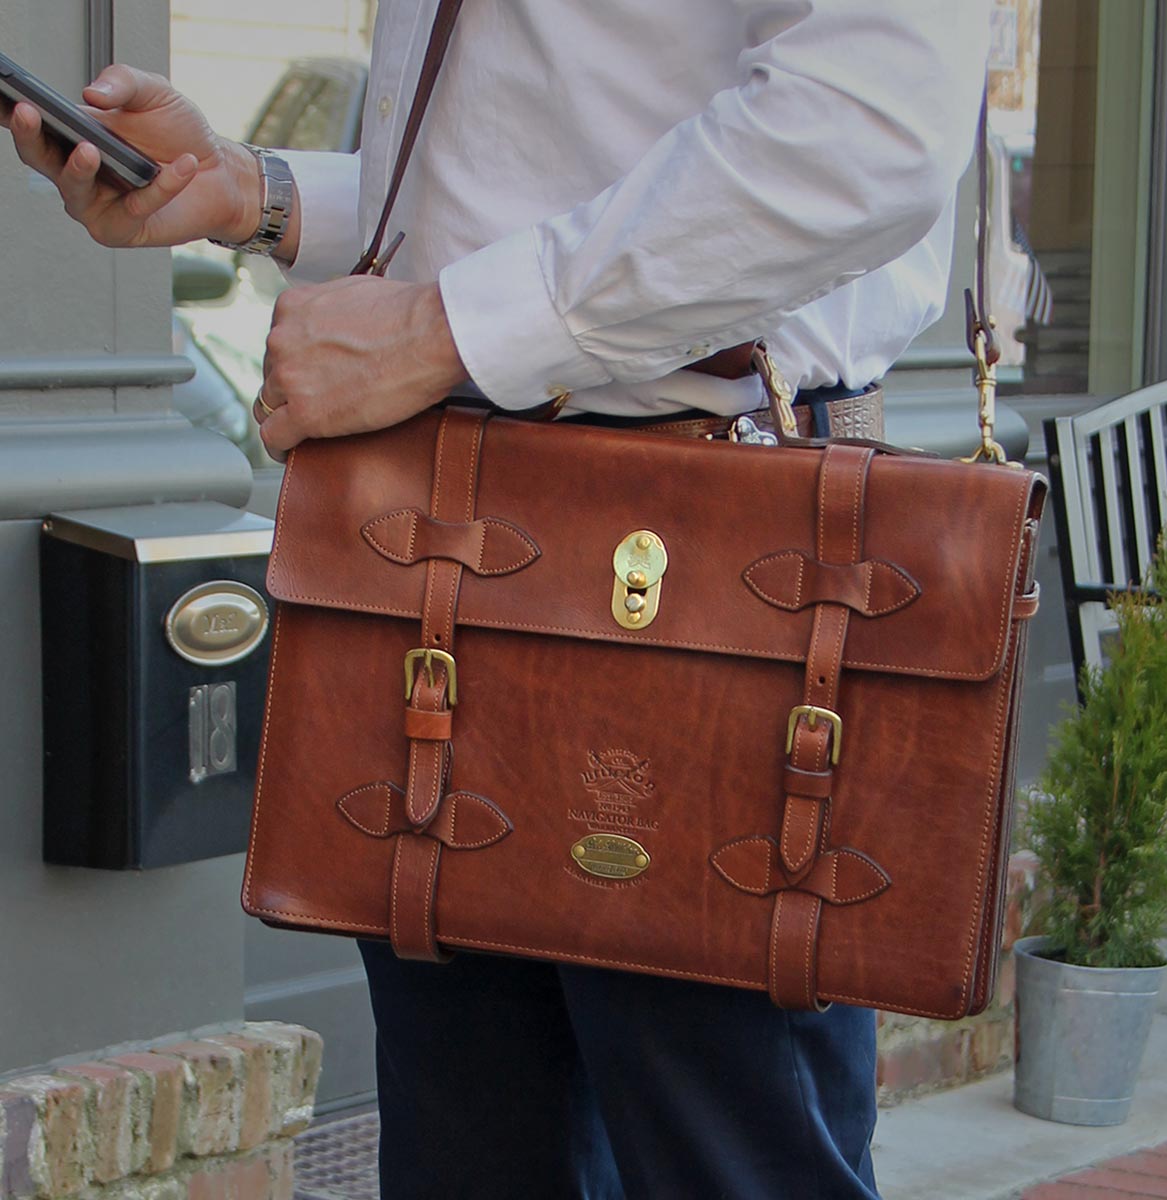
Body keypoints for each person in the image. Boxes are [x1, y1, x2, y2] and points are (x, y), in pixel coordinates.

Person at [2, 2, 990, 1195]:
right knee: (472, 1156)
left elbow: (864, 134)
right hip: (458, 549)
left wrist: (435, 331)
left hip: (718, 546)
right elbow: (544, 154)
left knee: (727, 1152)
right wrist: (257, 193)